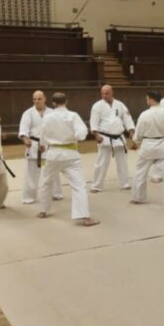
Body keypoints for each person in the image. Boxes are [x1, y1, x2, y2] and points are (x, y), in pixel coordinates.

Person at [37, 93, 99, 226]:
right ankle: (85, 217)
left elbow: (42, 135)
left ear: (53, 103)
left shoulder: (47, 117)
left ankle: (43, 211)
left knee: (46, 182)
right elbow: (82, 134)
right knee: (79, 185)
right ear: (66, 101)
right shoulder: (73, 116)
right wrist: (74, 136)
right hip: (71, 154)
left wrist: (42, 145)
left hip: (52, 153)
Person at [130, 91, 164, 211]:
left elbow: (138, 134)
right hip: (163, 144)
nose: (146, 101)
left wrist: (136, 141)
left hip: (147, 145)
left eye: (147, 99)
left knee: (140, 172)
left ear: (150, 99)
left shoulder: (144, 114)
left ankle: (138, 198)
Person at [18, 90, 63, 205]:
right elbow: (23, 129)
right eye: (34, 99)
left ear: (44, 99)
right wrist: (25, 139)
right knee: (32, 173)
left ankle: (56, 193)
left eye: (39, 99)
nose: (37, 101)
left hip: (49, 146)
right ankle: (29, 197)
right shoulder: (28, 113)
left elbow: (58, 129)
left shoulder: (52, 112)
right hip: (34, 146)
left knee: (52, 170)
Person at [90, 84, 136, 193]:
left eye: (107, 93)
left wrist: (131, 131)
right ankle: (96, 186)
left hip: (119, 137)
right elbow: (94, 121)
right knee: (101, 163)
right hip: (104, 137)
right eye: (102, 94)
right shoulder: (97, 106)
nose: (104, 96)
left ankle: (124, 183)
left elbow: (127, 118)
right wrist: (96, 135)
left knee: (122, 162)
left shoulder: (120, 104)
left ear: (112, 92)